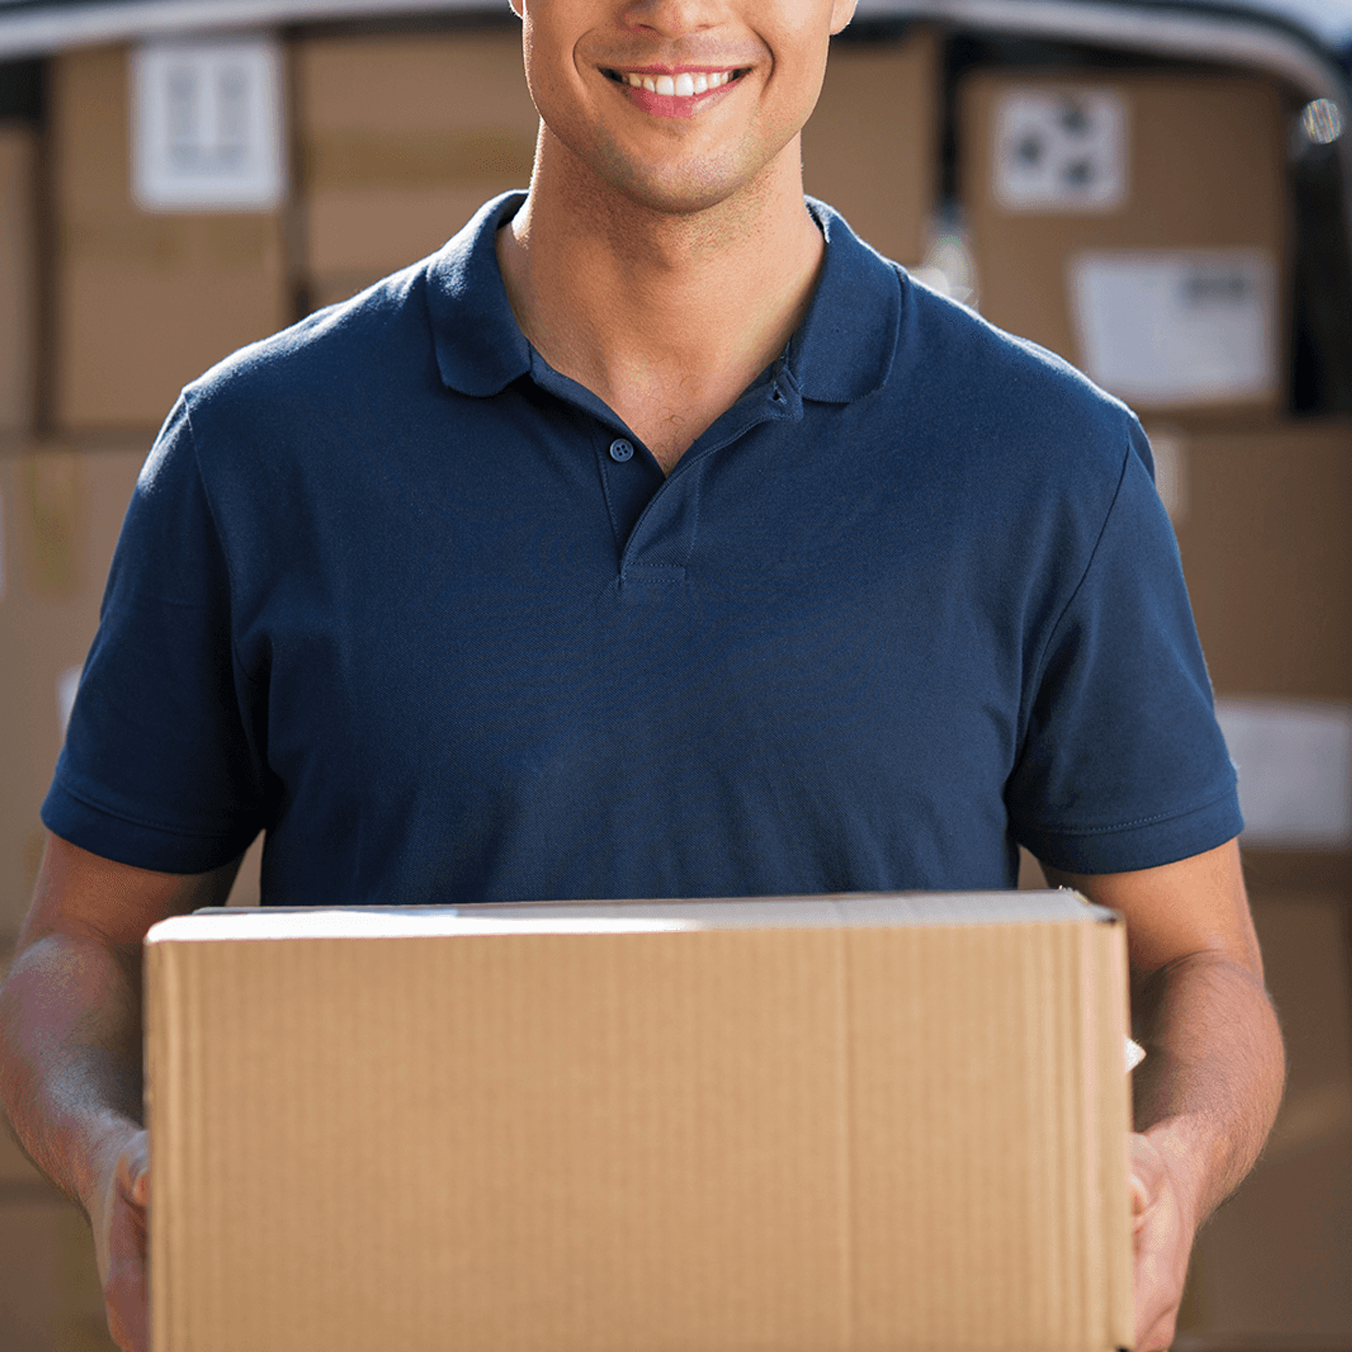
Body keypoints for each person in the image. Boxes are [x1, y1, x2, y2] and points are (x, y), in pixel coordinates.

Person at [0, 0, 1283, 1349]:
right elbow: (77, 946)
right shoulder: (253, 454)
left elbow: (1202, 963)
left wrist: (1173, 1160)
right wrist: (110, 1154)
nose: (675, 10)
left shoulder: (1048, 466)